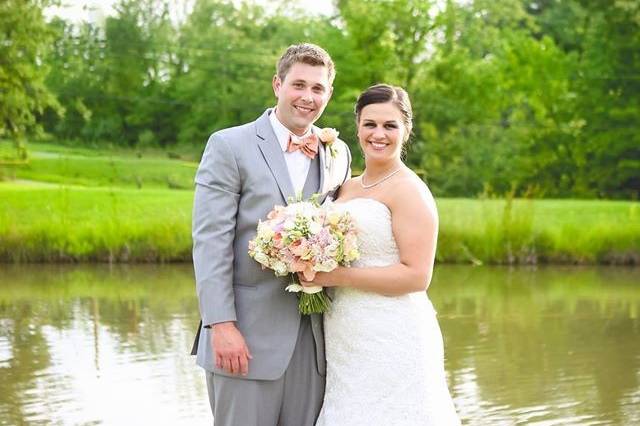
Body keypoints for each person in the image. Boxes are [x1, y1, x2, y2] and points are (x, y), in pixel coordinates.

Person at [190, 43, 351, 426]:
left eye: (318, 88)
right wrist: (221, 325)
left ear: (328, 94)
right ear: (278, 85)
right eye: (299, 85)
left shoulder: (338, 153)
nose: (307, 97)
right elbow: (210, 242)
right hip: (244, 337)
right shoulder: (229, 145)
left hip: (315, 345)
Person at [303, 84, 460, 425]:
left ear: (406, 130)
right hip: (346, 333)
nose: (379, 134)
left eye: (390, 125)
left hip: (393, 331)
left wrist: (334, 276)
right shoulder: (345, 186)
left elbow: (417, 276)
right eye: (370, 124)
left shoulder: (409, 190)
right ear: (357, 126)